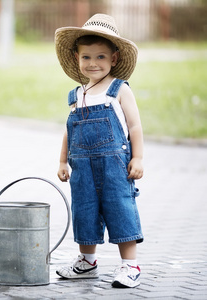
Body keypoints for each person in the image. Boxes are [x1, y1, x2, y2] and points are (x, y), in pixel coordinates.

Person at [54, 14, 144, 288]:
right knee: (85, 211)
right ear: (77, 58)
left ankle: (130, 265)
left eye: (101, 57)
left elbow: (135, 126)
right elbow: (69, 129)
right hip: (82, 168)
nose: (93, 64)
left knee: (120, 209)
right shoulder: (76, 94)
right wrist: (62, 161)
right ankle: (87, 262)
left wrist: (138, 157)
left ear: (114, 59)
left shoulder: (119, 90)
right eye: (87, 57)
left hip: (114, 166)